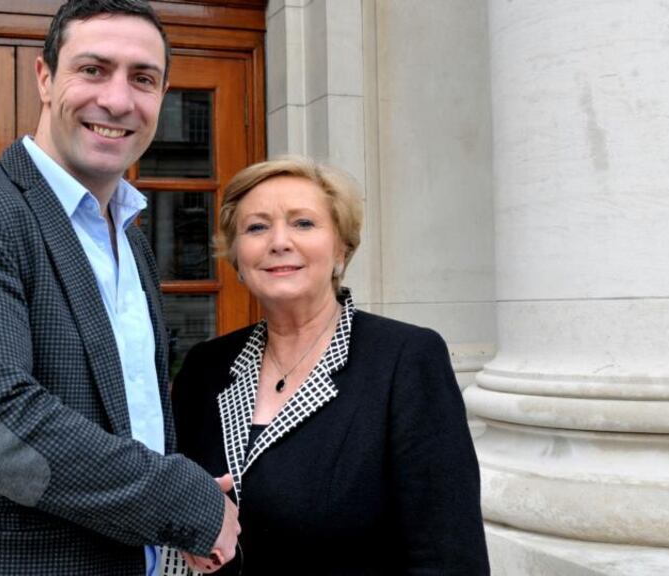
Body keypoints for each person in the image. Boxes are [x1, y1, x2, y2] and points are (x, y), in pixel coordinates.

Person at [0, 1, 238, 574]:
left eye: (143, 79)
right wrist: (186, 503)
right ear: (45, 78)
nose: (119, 100)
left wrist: (171, 523)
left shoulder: (129, 234)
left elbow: (130, 414)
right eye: (94, 69)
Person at [169, 157, 490, 574]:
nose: (279, 241)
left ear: (341, 248)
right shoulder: (205, 367)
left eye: (303, 223)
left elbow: (449, 554)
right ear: (236, 256)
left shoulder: (406, 358)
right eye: (256, 227)